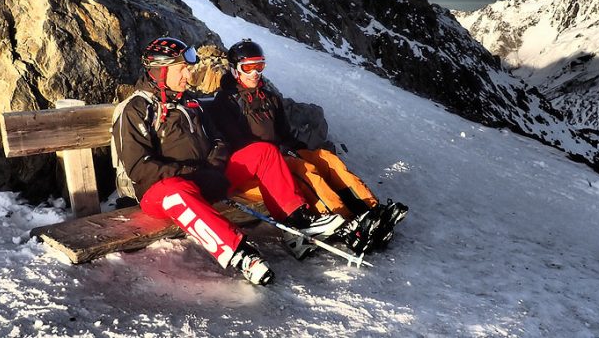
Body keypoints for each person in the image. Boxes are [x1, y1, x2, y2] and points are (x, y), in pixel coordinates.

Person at [110, 37, 345, 285]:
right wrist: (193, 173)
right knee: (175, 191)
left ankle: (297, 221)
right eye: (182, 68)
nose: (188, 74)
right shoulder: (137, 109)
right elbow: (139, 168)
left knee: (263, 151)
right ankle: (240, 253)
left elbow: (219, 140)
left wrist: (215, 166)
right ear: (161, 71)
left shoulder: (190, 103)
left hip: (205, 178)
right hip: (161, 192)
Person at [210, 39, 409, 256]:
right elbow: (237, 142)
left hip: (277, 154)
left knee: (324, 159)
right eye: (248, 67)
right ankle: (340, 218)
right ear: (235, 69)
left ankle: (369, 209)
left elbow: (285, 134)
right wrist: (286, 156)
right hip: (254, 169)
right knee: (303, 170)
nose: (255, 72)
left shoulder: (268, 98)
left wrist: (304, 151)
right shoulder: (226, 101)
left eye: (260, 66)